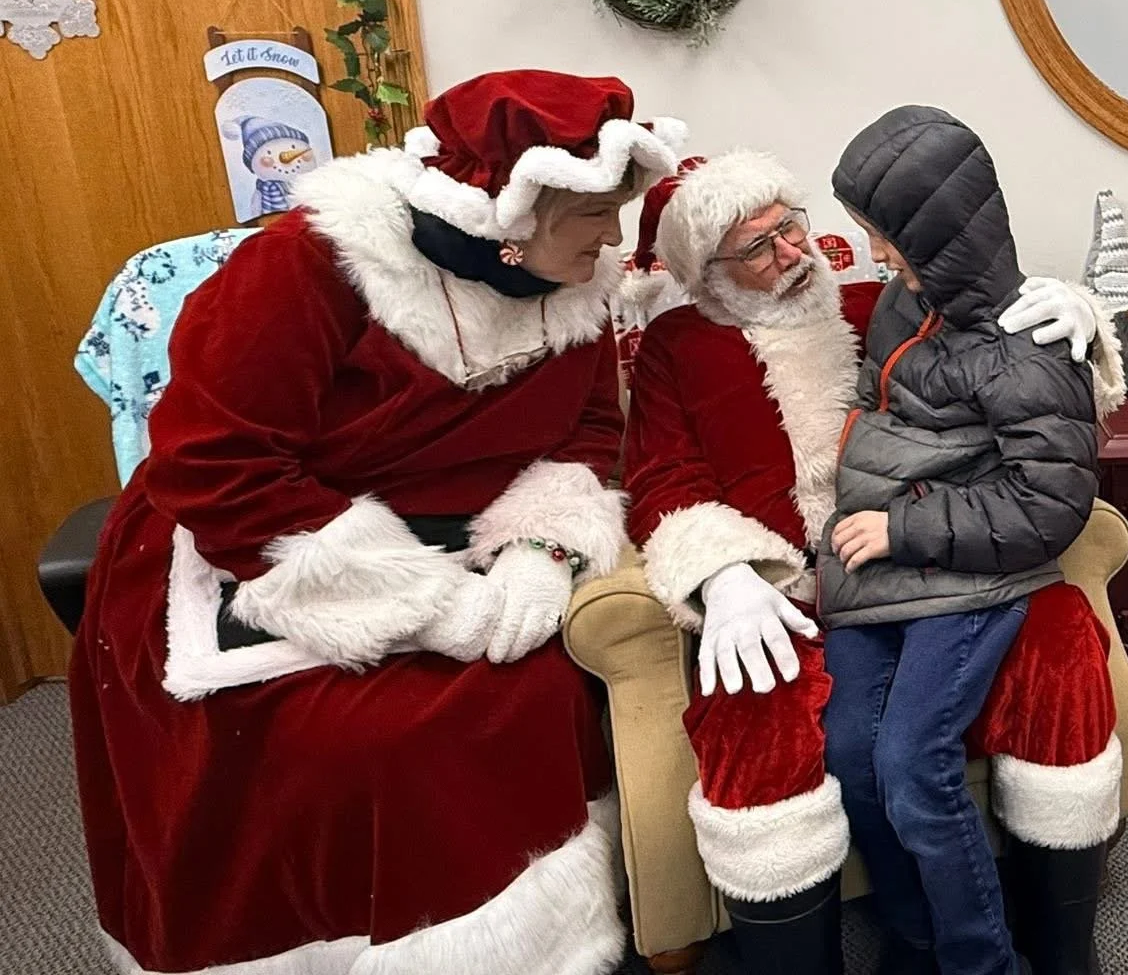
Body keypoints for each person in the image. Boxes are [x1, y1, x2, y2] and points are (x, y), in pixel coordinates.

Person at [70, 70, 684, 975]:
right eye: (596, 216)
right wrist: (427, 608)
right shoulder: (307, 264)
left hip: (473, 541)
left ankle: (527, 950)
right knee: (375, 742)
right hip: (270, 547)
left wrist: (542, 548)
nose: (616, 240)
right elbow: (212, 465)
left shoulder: (578, 282)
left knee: (543, 693)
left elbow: (590, 431)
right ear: (513, 222)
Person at [623, 145, 1126, 975]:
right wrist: (723, 572)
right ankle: (887, 942)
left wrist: (1074, 313)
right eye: (758, 247)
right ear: (703, 271)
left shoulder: (873, 300)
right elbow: (660, 478)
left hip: (933, 554)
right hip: (792, 577)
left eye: (792, 227)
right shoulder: (677, 346)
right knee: (785, 722)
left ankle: (1047, 941)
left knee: (1049, 659)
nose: (794, 253)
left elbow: (991, 340)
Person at [820, 104, 1102, 975]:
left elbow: (1050, 507)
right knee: (848, 757)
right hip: (876, 564)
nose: (875, 255)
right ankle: (914, 941)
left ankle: (984, 962)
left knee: (911, 763)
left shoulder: (1028, 350)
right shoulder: (906, 306)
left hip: (971, 573)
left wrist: (904, 525)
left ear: (936, 236)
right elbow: (877, 405)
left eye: (884, 237)